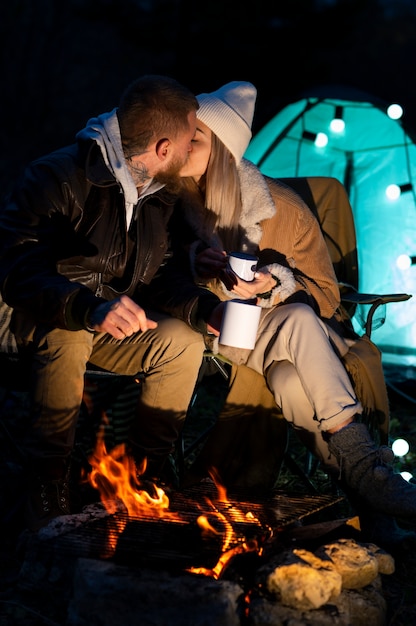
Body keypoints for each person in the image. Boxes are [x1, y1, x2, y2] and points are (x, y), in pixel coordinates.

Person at [172, 80, 416, 544]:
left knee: (288, 376)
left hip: (280, 335)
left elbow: (326, 298)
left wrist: (276, 283)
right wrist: (194, 266)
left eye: (197, 138)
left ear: (224, 149)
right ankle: (373, 479)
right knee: (295, 346)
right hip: (216, 332)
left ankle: (369, 491)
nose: (184, 147)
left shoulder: (284, 208)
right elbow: (156, 272)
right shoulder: (174, 205)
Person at [0, 74, 224, 532]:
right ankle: (47, 485)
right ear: (163, 148)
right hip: (36, 317)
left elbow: (159, 274)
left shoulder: (158, 196)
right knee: (69, 333)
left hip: (104, 326)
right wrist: (87, 307)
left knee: (182, 340)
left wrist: (203, 309)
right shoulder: (57, 176)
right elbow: (15, 266)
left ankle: (139, 483)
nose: (190, 153)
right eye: (187, 142)